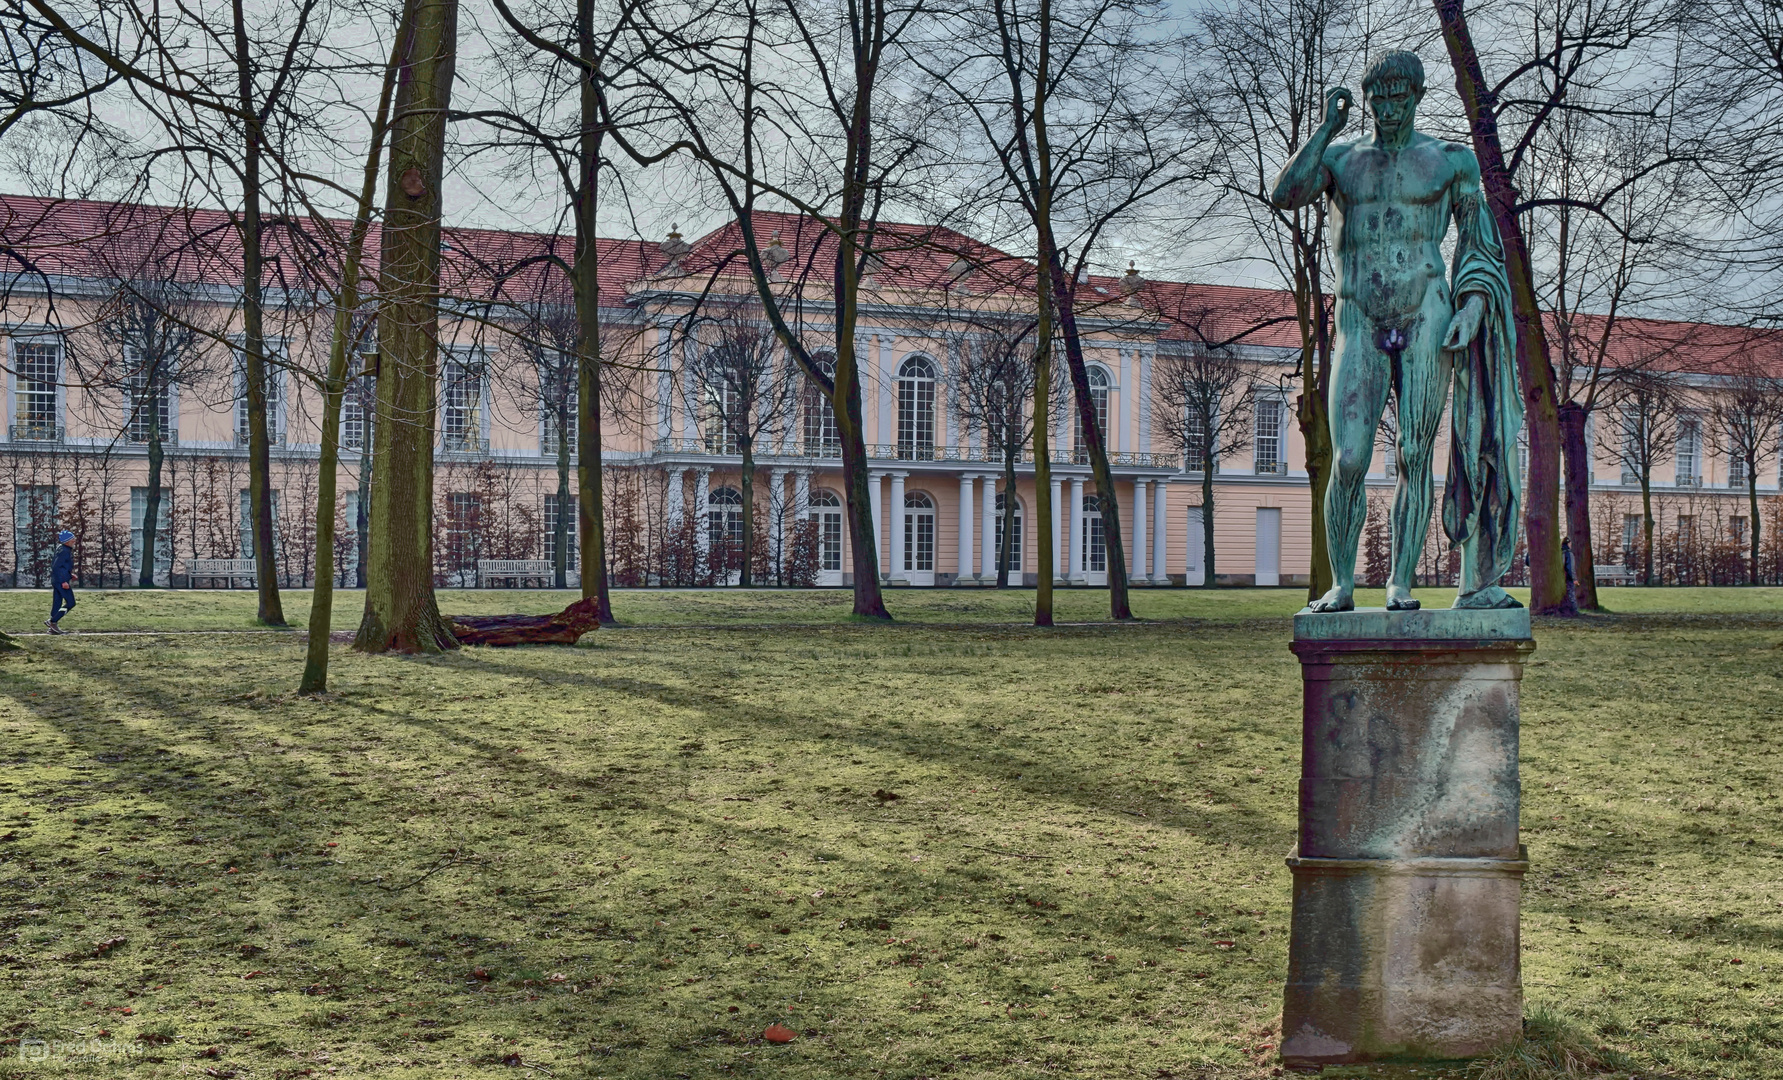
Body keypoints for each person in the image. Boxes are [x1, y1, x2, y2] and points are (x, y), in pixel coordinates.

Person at [1272, 51, 1522, 613]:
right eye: (1377, 97)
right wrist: (1324, 128)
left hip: (1426, 315)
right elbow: (1284, 194)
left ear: (1416, 95)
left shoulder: (1450, 160)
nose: (1387, 109)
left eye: (1397, 97)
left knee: (1414, 452)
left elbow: (1479, 242)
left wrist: (1474, 304)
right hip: (1359, 320)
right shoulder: (1341, 160)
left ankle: (1400, 583)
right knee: (1350, 459)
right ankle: (1340, 583)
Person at [46, 529, 76, 634]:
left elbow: (60, 566)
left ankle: (53, 628)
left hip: (57, 580)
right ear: (67, 541)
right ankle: (52, 621)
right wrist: (64, 581)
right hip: (60, 581)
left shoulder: (61, 549)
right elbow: (57, 567)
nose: (74, 540)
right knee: (71, 602)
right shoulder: (65, 551)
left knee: (57, 603)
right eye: (72, 539)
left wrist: (69, 575)